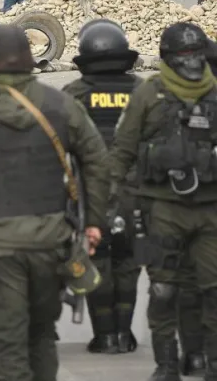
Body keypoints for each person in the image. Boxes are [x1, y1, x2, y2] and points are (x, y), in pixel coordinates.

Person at [0, 24, 110, 381]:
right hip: (52, 242)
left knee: (6, 345)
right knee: (41, 336)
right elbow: (97, 159)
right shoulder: (61, 104)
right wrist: (93, 221)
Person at [109, 22, 217, 381]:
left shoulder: (215, 93)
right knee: (164, 288)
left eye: (197, 54)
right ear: (169, 58)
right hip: (161, 207)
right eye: (184, 55)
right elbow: (122, 149)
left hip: (210, 209)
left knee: (211, 288)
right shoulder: (148, 93)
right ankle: (166, 363)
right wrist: (111, 204)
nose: (192, 61)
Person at [61, 20, 142, 355]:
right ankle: (125, 333)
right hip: (135, 191)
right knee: (129, 261)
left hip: (90, 191)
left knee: (98, 259)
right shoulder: (143, 91)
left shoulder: (73, 94)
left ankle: (105, 335)